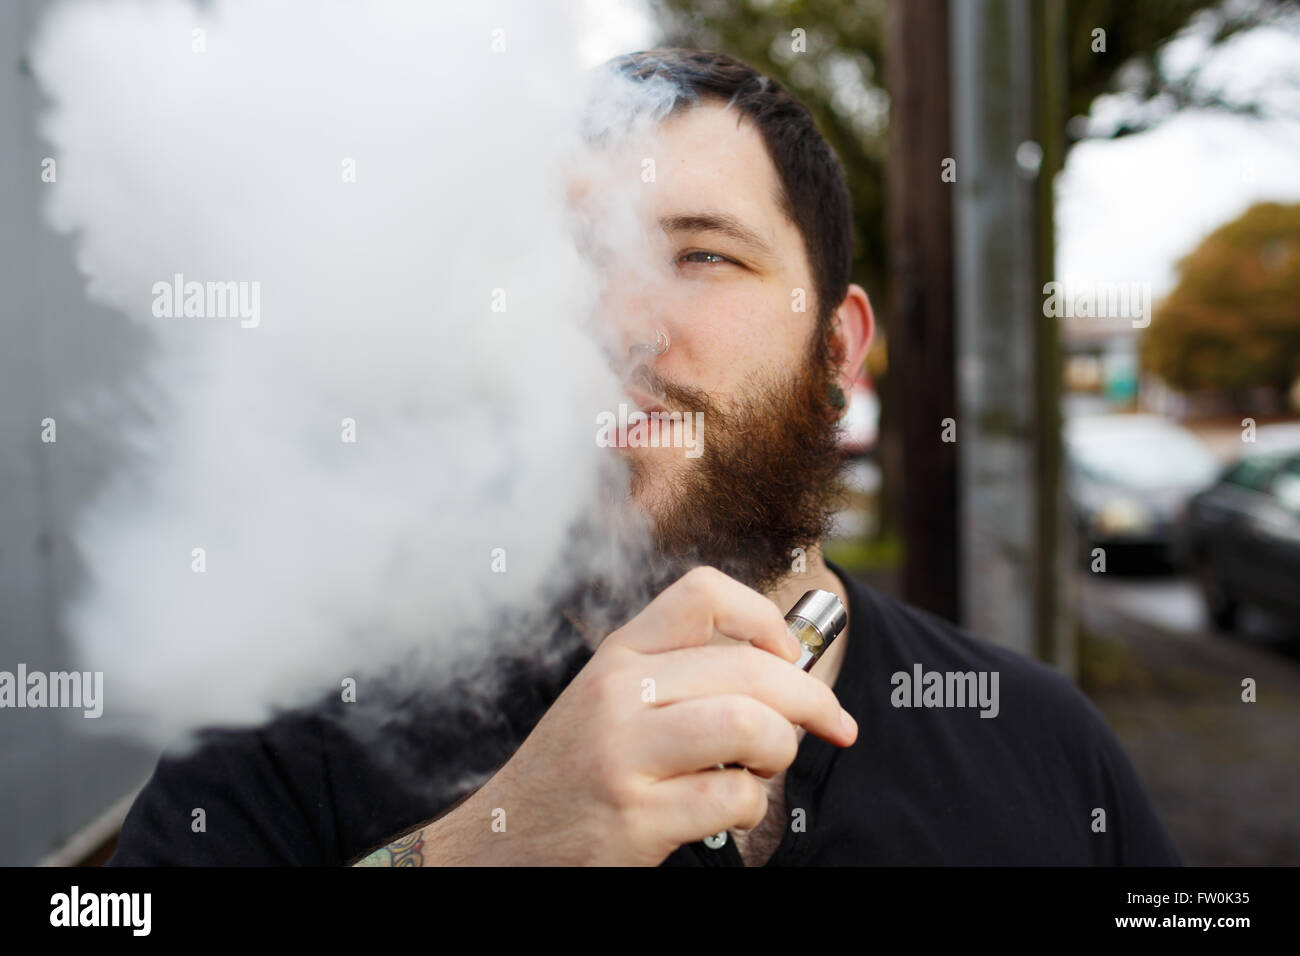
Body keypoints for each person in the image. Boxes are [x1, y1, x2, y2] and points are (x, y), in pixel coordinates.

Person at [107, 48, 1182, 867]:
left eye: (701, 254)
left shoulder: (1043, 746)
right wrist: (484, 852)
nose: (615, 317)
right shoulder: (285, 743)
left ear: (838, 347)